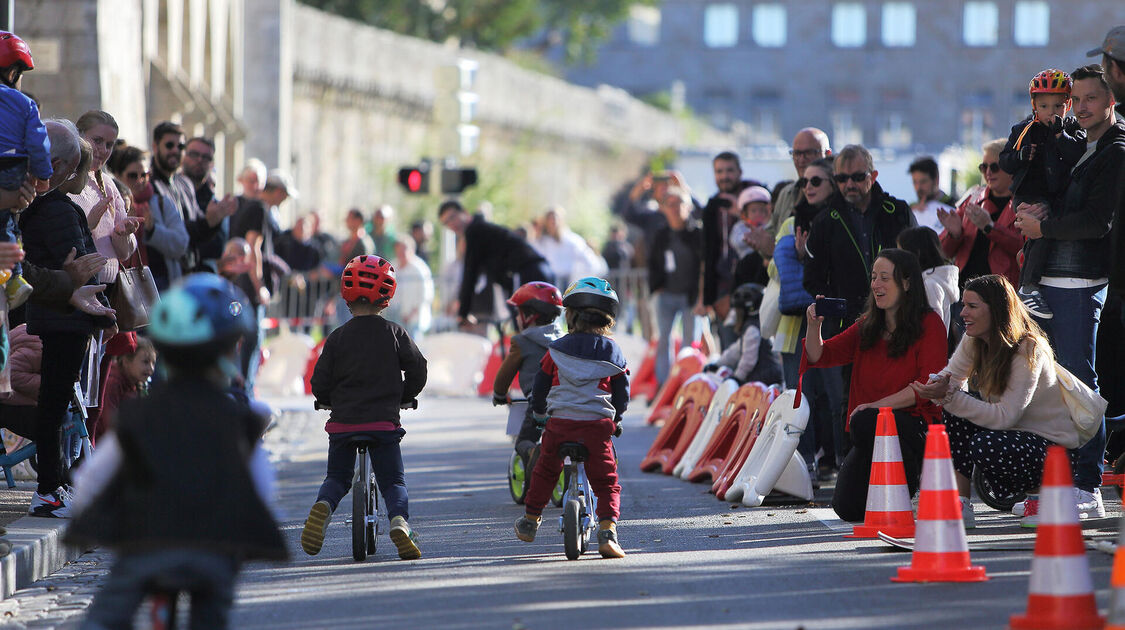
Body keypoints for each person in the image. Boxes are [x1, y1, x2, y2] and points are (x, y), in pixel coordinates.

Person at [66, 274, 287, 628]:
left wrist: (90, 518)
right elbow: (261, 486)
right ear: (230, 349)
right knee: (212, 610)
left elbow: (92, 478)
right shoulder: (238, 418)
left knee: (107, 615)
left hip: (147, 544)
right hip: (211, 552)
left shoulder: (139, 414)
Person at [1013, 63, 1125, 519]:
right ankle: (1056, 483)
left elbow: (1098, 222)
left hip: (1081, 281)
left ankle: (1087, 484)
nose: (1080, 108)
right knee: (1048, 386)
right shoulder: (1079, 142)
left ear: (1110, 100)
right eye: (1074, 100)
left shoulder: (1116, 150)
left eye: (1090, 99)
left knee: (1079, 380)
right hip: (1051, 277)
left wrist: (1043, 228)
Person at [911, 274, 1085, 528]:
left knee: (984, 443)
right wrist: (938, 384)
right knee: (954, 413)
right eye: (964, 305)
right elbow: (952, 376)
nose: (962, 314)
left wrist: (947, 394)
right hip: (1017, 439)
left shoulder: (1028, 348)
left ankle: (1049, 499)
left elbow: (1006, 416)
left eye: (972, 306)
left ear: (997, 310)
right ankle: (960, 503)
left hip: (1055, 451)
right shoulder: (975, 340)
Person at [801, 249, 947, 522]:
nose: (875, 285)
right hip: (870, 428)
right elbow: (818, 355)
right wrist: (813, 326)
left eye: (884, 278)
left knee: (864, 421)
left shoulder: (930, 323)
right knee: (847, 508)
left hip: (913, 424)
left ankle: (914, 483)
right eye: (873, 278)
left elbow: (928, 383)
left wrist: (875, 407)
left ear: (906, 283)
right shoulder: (867, 325)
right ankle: (890, 489)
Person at [20, 121, 116, 518]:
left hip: (63, 314)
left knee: (61, 405)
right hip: (65, 317)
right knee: (56, 405)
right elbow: (75, 262)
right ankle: (49, 489)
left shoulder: (51, 207)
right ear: (63, 166)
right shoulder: (57, 209)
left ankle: (57, 484)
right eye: (81, 168)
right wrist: (94, 299)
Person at [303, 255, 427, 560]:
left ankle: (324, 506)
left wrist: (328, 399)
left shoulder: (336, 338)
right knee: (393, 482)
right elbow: (418, 369)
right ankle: (399, 521)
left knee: (337, 479)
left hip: (343, 424)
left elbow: (319, 381)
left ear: (346, 297)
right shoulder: (395, 334)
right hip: (383, 424)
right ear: (386, 300)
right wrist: (404, 395)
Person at [515, 277, 628, 559]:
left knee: (545, 470)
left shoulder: (556, 350)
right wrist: (618, 418)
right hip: (596, 427)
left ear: (571, 316)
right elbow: (621, 392)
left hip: (560, 424)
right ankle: (607, 532)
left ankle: (530, 520)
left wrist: (540, 413)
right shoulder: (613, 352)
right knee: (607, 481)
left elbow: (540, 388)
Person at [999, 69, 1086, 319]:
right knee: (1041, 228)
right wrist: (1021, 155)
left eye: (1058, 105)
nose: (1051, 111)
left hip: (1056, 197)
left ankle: (1028, 269)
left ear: (1067, 105)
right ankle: (1028, 286)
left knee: (1046, 231)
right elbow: (1005, 161)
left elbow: (1075, 155)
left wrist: (1060, 135)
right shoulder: (1023, 129)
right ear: (1034, 104)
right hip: (1028, 194)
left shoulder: (1073, 128)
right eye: (1045, 105)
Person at [804, 144, 915, 325]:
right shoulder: (825, 221)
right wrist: (841, 306)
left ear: (873, 176)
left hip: (895, 318)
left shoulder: (897, 212)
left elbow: (916, 264)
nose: (849, 184)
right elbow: (812, 278)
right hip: (846, 324)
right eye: (842, 178)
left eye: (857, 177)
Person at [437, 199, 554, 328]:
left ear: (464, 212)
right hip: (534, 273)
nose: (452, 224)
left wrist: (463, 314)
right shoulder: (480, 229)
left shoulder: (475, 231)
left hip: (528, 274)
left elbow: (470, 273)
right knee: (535, 328)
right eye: (446, 222)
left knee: (529, 329)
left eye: (453, 217)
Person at [0, 31, 50, 307]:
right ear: (13, 72)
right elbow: (39, 145)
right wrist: (43, 175)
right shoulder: (24, 104)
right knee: (7, 220)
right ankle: (14, 277)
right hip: (11, 168)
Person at [492, 281, 563, 464]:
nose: (516, 318)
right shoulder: (564, 340)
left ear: (529, 316)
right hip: (566, 400)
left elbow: (505, 375)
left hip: (539, 403)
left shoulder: (521, 342)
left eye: (518, 313)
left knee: (523, 441)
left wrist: (499, 394)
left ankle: (533, 453)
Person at [937, 138, 1022, 290]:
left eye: (995, 167)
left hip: (1001, 294)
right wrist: (954, 234)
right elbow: (943, 252)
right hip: (964, 291)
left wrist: (990, 228)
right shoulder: (973, 198)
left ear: (1011, 167)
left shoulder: (1025, 203)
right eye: (983, 167)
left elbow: (1024, 249)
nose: (988, 172)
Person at [70, 111, 140, 288]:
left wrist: (121, 232)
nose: (103, 150)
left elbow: (124, 253)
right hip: (76, 284)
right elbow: (56, 235)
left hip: (110, 285)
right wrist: (88, 224)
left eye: (109, 145)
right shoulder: (63, 178)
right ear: (79, 136)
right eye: (97, 141)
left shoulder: (107, 183)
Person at [647, 187, 703, 388]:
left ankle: (687, 383)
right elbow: (652, 262)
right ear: (664, 209)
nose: (675, 209)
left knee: (690, 343)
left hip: (691, 296)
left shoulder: (697, 233)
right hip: (666, 294)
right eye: (670, 204)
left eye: (678, 203)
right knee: (664, 340)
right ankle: (664, 385)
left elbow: (704, 264)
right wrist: (656, 287)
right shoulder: (661, 235)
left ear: (688, 207)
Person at [750, 128, 832, 260]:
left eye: (808, 153)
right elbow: (770, 236)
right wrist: (761, 241)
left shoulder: (839, 199)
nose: (801, 159)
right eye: (796, 153)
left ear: (827, 154)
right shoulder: (787, 193)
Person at [700, 151, 747, 346]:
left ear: (739, 172)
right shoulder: (712, 206)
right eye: (719, 171)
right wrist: (707, 297)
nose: (724, 176)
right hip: (722, 288)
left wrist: (741, 213)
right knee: (729, 348)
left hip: (750, 283)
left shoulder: (752, 197)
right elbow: (708, 252)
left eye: (729, 170)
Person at [704, 283, 782, 386]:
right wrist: (717, 364)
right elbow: (735, 351)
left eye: (737, 310)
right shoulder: (752, 326)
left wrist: (737, 377)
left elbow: (748, 359)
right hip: (763, 377)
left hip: (764, 380)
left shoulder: (752, 329)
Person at [896, 226, 960, 334]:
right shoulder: (927, 282)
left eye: (901, 253)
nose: (897, 259)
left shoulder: (929, 285)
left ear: (916, 253)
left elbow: (933, 329)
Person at [531, 206, 606, 289]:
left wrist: (579, 282)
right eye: (550, 219)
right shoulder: (541, 241)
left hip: (567, 284)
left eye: (555, 219)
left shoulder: (572, 240)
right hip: (548, 283)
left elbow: (591, 263)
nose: (553, 222)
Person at [98, 336, 154, 431]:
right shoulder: (113, 383)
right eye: (145, 362)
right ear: (126, 361)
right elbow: (109, 422)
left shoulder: (138, 385)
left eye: (153, 363)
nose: (151, 369)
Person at [384, 235, 433, 339]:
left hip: (414, 320)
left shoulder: (420, 269)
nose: (401, 253)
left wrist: (411, 314)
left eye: (404, 249)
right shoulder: (392, 266)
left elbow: (426, 296)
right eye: (398, 249)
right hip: (394, 317)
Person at [729, 185, 771, 288]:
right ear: (744, 214)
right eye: (753, 211)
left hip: (762, 263)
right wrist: (748, 238)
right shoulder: (741, 226)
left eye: (762, 210)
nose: (758, 214)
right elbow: (735, 241)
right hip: (745, 264)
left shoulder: (768, 226)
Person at [907, 156, 954, 234]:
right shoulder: (910, 208)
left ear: (936, 180)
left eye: (923, 181)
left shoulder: (953, 205)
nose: (918, 188)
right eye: (915, 182)